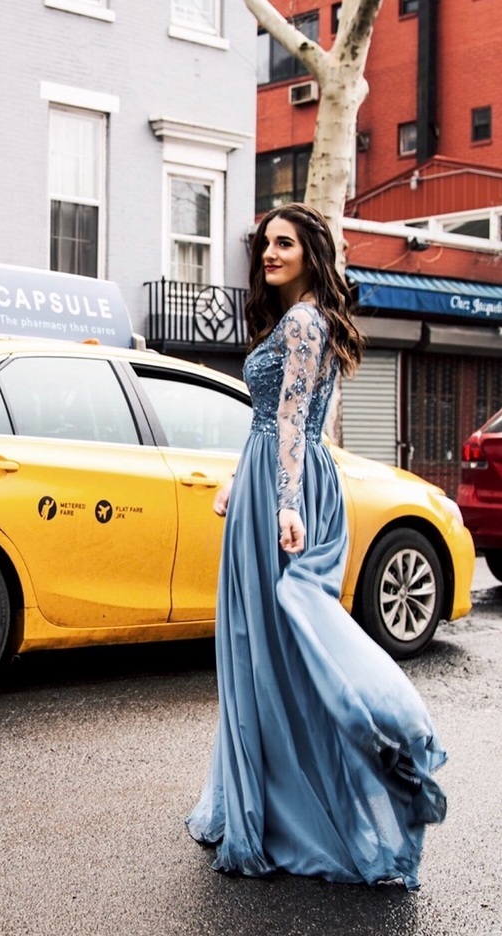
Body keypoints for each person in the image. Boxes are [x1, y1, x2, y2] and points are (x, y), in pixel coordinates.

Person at [185, 202, 447, 891]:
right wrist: (239, 479)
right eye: (265, 243)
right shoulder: (292, 321)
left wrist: (286, 504)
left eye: (284, 244)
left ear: (309, 254)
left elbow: (296, 418)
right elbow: (268, 421)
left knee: (277, 651)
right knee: (267, 649)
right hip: (269, 483)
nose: (269, 253)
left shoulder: (304, 323)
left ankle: (357, 770)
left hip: (286, 495)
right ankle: (272, 801)